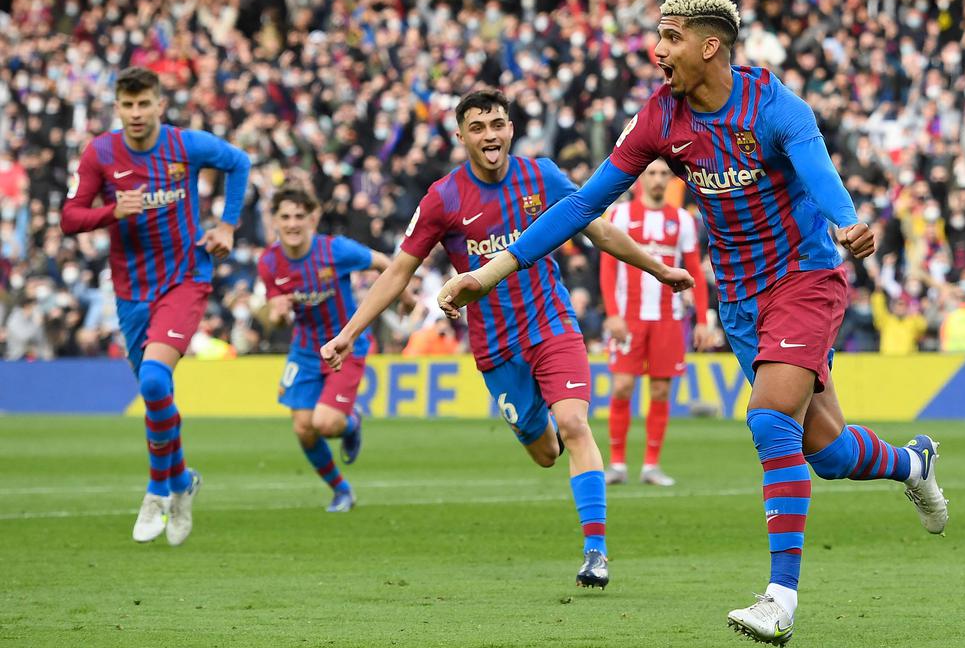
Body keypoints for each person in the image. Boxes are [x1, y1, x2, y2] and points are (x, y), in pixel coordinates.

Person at [436, 0, 947, 647]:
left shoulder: (775, 107)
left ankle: (779, 599)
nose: (656, 50)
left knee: (768, 420)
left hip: (803, 279)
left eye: (670, 37)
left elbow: (818, 172)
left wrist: (847, 220)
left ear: (709, 46)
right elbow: (583, 204)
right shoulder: (658, 117)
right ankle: (913, 465)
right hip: (737, 300)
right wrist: (490, 270)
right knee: (826, 451)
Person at [320, 89, 692, 589]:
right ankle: (551, 428)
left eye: (497, 124)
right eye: (477, 128)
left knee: (575, 423)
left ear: (511, 128)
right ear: (461, 137)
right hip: (496, 348)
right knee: (545, 452)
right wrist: (348, 333)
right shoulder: (443, 198)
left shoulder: (542, 176)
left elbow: (600, 232)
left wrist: (661, 270)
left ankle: (596, 552)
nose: (490, 135)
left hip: (551, 323)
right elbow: (398, 272)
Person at [61, 66, 251, 545]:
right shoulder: (100, 153)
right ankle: (183, 480)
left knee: (151, 378)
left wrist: (227, 225)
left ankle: (156, 490)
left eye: (145, 103)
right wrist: (112, 211)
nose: (137, 113)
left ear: (160, 104)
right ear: (118, 107)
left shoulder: (185, 145)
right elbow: (69, 218)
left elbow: (239, 161)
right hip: (131, 293)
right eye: (128, 105)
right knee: (156, 391)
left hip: (186, 279)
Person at [259, 188, 395, 513]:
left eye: (299, 216)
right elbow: (275, 319)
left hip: (344, 346)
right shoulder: (269, 263)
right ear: (275, 221)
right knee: (303, 428)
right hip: (304, 352)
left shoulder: (335, 250)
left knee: (326, 424)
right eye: (285, 217)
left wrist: (402, 297)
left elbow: (384, 263)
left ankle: (352, 423)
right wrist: (275, 315)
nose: (292, 224)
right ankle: (341, 490)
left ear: (313, 218)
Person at [600, 158, 716, 487]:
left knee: (662, 391)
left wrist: (703, 319)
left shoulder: (681, 220)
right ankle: (618, 463)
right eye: (651, 173)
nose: (657, 179)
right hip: (630, 316)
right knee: (622, 386)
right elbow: (608, 268)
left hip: (668, 317)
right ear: (640, 179)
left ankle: (651, 464)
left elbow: (694, 271)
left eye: (664, 173)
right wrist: (612, 313)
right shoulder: (620, 215)